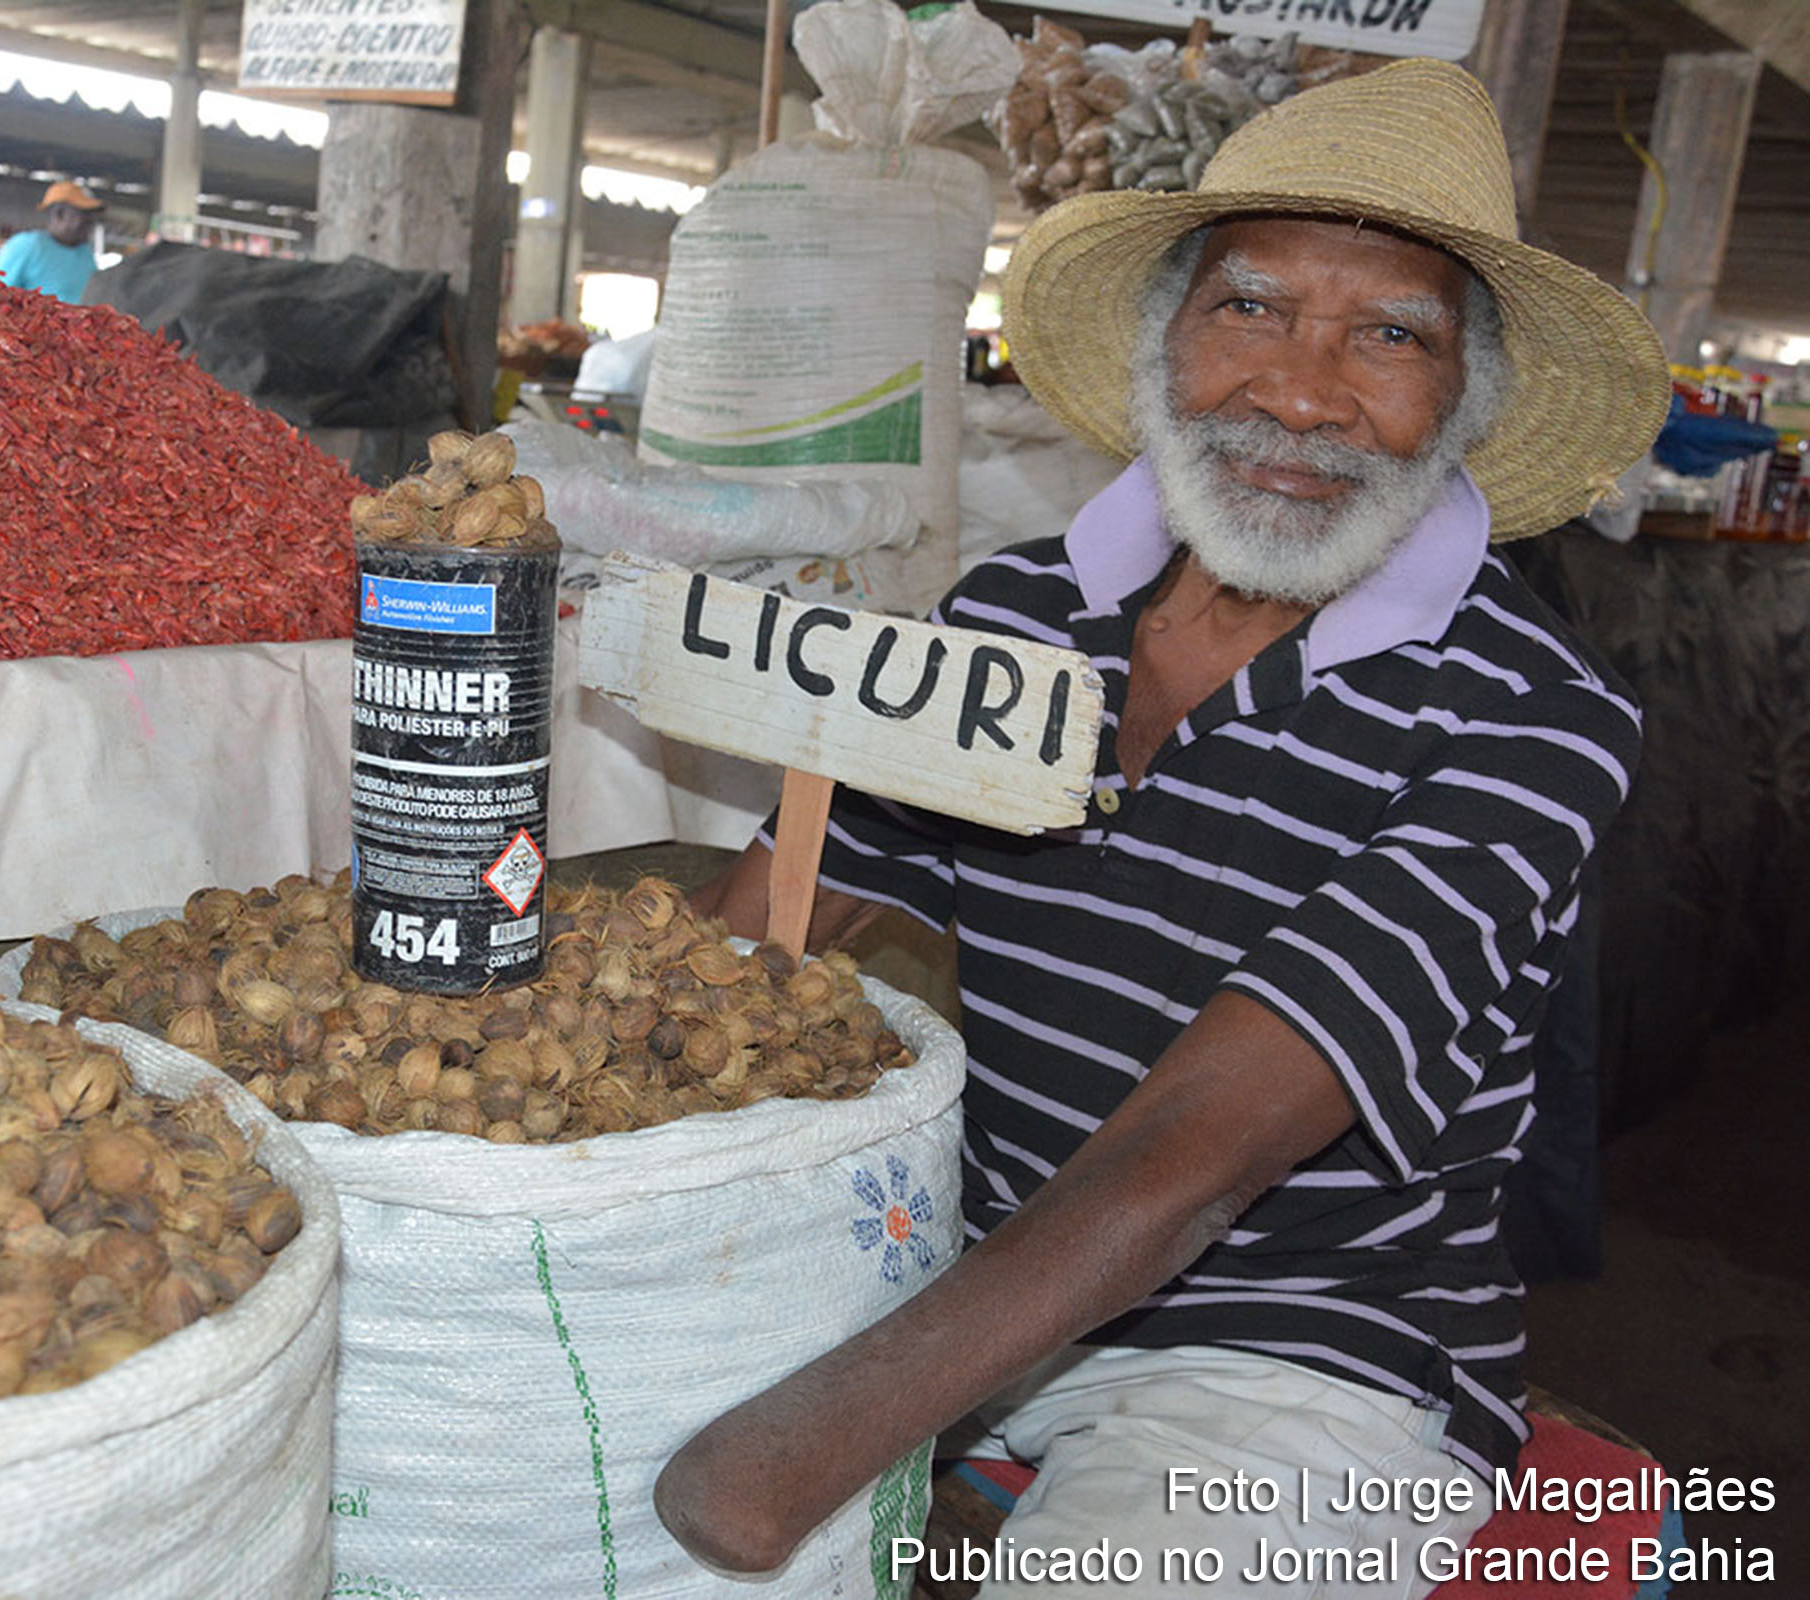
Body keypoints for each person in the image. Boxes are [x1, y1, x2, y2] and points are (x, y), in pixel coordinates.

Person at [654, 60, 1668, 1597]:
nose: (1301, 394)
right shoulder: (1017, 613)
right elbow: (777, 926)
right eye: (1249, 310)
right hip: (951, 1267)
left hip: (1298, 1354)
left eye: (1391, 337)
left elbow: (1198, 1156)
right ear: (1161, 342)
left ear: (1464, 407)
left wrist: (795, 1445)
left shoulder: (1531, 714)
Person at [0, 182, 103, 304]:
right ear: (60, 214)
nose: (92, 222)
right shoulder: (27, 246)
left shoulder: (85, 253)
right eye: (85, 215)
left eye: (93, 216)